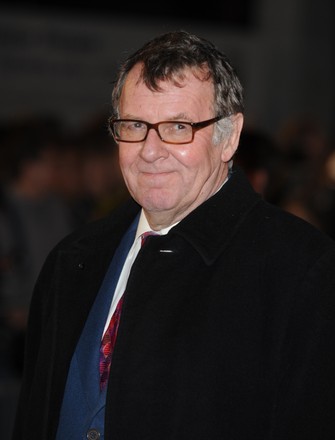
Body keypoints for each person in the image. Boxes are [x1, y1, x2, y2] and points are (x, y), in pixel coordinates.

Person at [12, 30, 335, 440]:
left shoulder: (302, 270)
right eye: (134, 125)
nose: (150, 150)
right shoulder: (73, 258)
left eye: (178, 127)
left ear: (229, 136)